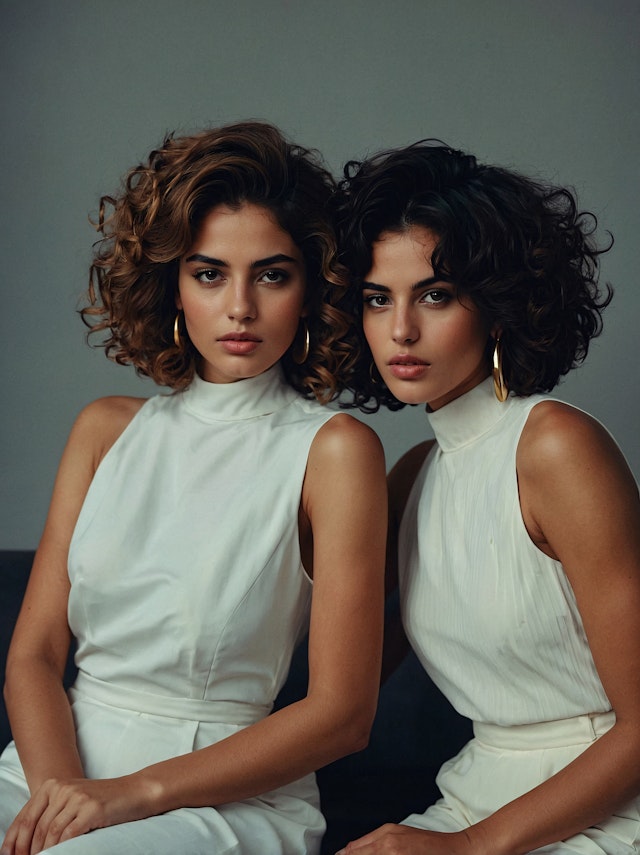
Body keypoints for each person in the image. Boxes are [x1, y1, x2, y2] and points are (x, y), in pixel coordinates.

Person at [0, 121, 387, 855]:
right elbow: (35, 656)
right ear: (173, 285)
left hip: (221, 795)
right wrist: (58, 796)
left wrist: (128, 795)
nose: (239, 307)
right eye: (209, 273)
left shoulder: (334, 450)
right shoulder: (105, 430)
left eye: (271, 274)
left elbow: (343, 713)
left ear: (310, 288)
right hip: (51, 770)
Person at [334, 141, 640, 854]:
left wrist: (470, 848)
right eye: (379, 298)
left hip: (608, 803)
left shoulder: (555, 445)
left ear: (497, 307)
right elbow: (337, 688)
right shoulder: (412, 474)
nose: (401, 329)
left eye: (435, 294)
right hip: (476, 794)